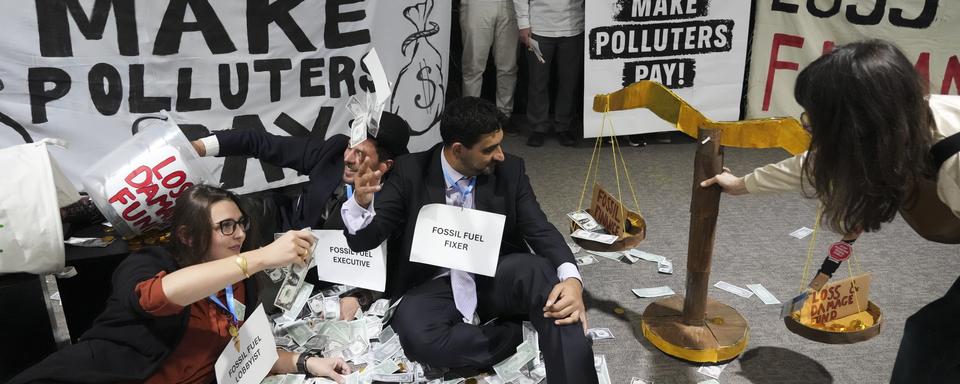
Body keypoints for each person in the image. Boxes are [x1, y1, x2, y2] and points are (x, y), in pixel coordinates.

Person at [700, 39, 960, 384]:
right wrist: (742, 184)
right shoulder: (896, 119)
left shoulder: (953, 163)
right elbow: (821, 161)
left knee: (931, 340)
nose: (811, 127)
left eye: (818, 119)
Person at [341, 97, 597, 383]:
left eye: (500, 144)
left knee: (546, 279)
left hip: (495, 274)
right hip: (435, 284)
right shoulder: (410, 171)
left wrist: (573, 280)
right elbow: (365, 240)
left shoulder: (510, 170)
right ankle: (517, 334)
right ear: (458, 150)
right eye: (489, 149)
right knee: (418, 338)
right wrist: (361, 205)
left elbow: (539, 229)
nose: (500, 155)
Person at [10, 184, 350, 383]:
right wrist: (260, 257)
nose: (242, 234)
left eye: (241, 223)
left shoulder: (240, 285)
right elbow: (159, 297)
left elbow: (246, 352)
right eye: (227, 226)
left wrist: (304, 362)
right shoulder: (148, 263)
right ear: (188, 236)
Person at [191, 112, 412, 318]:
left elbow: (396, 262)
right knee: (232, 211)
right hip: (288, 232)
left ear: (385, 166)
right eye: (349, 147)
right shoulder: (333, 152)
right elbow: (260, 142)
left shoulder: (398, 197)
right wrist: (198, 147)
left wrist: (363, 297)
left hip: (328, 273)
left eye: (360, 154)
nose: (348, 158)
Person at [514, 0, 584, 147]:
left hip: (573, 27)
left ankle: (564, 126)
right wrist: (523, 24)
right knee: (537, 81)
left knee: (569, 82)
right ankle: (538, 126)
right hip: (539, 27)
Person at [460, 0, 519, 125]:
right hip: (477, 4)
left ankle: (504, 115)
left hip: (510, 4)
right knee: (473, 66)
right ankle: (470, 117)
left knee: (508, 66)